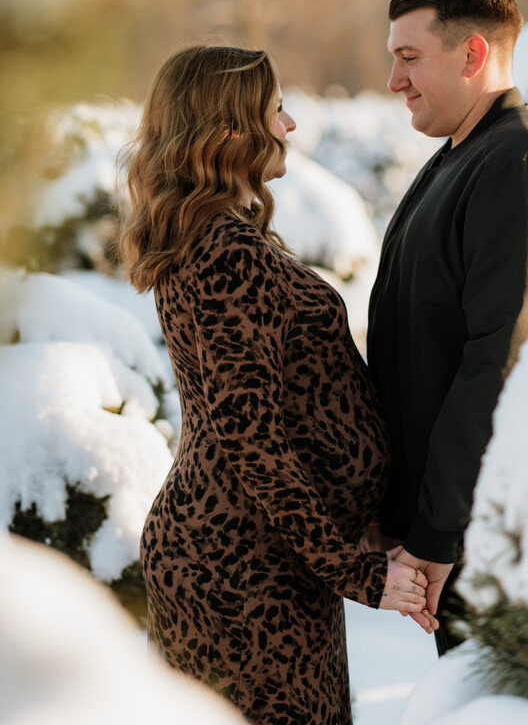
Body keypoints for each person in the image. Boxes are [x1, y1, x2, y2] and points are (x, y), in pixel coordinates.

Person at [118, 41, 428, 725]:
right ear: (229, 128)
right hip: (240, 570)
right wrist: (359, 575)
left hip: (262, 556)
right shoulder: (224, 253)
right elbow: (249, 439)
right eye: (276, 109)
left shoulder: (216, 237)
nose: (289, 125)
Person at [365, 0, 528, 654]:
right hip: (459, 531)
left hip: (496, 535)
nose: (393, 80)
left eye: (409, 58)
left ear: (471, 55)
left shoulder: (519, 163)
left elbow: (504, 360)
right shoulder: (457, 160)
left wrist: (441, 530)